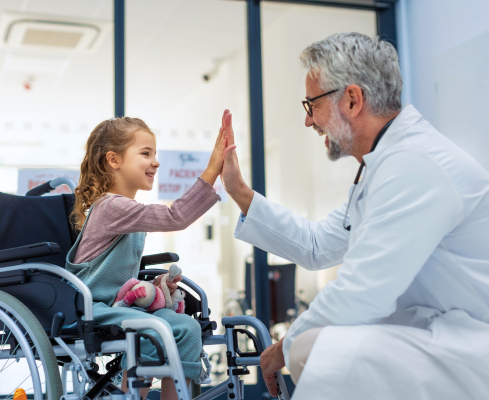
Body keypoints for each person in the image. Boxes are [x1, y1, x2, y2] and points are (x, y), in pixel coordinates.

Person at [220, 32, 489, 400]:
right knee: (310, 347)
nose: (308, 120)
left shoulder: (415, 165)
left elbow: (362, 292)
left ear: (351, 99)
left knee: (315, 349)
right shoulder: (384, 166)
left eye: (311, 104)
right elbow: (315, 245)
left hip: (468, 343)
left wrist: (282, 347)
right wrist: (238, 191)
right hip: (431, 333)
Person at [66, 116, 227, 399]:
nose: (156, 162)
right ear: (113, 160)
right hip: (94, 305)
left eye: (155, 154)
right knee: (155, 327)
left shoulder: (126, 209)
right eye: (145, 153)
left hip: (121, 304)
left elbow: (123, 278)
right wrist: (214, 167)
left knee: (187, 327)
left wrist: (158, 286)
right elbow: (175, 216)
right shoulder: (111, 207)